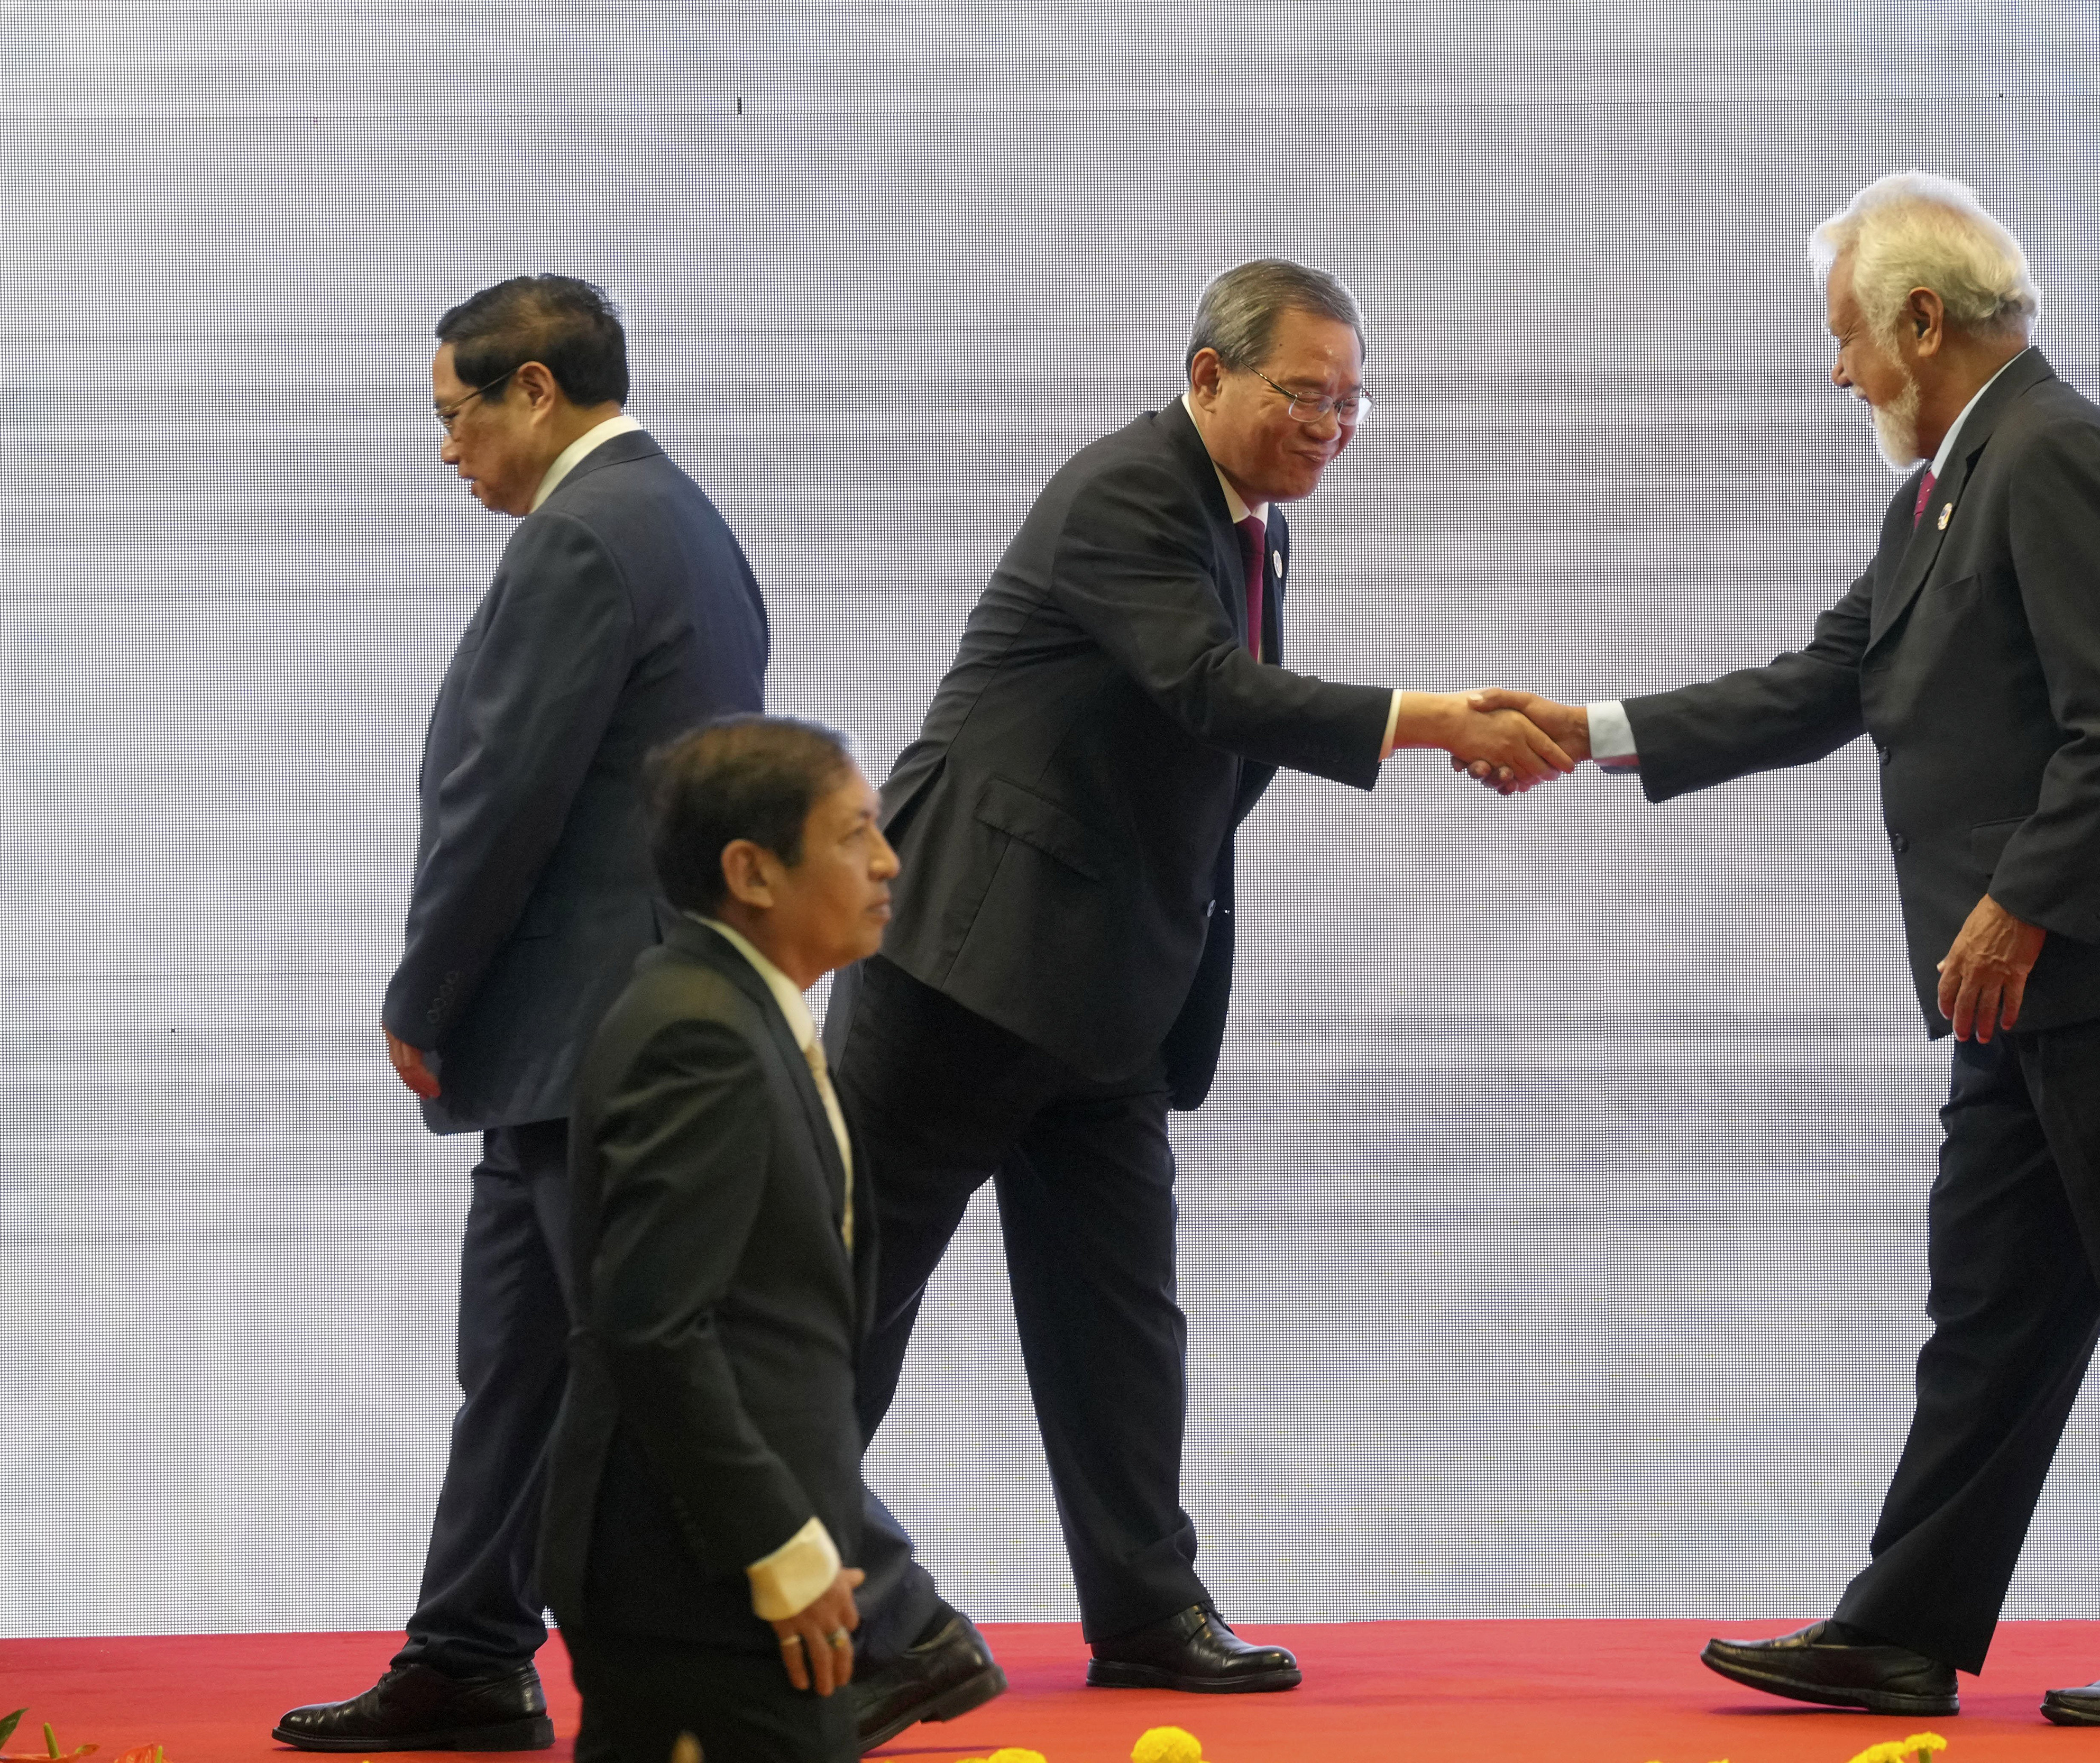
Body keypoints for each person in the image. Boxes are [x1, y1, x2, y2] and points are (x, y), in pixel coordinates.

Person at [1474, 173, 2100, 1727]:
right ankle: (1901, 1627)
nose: (1840, 370)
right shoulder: (1939, 491)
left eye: (1846, 337)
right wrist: (1582, 731)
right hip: (2019, 983)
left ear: (1923, 320)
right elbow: (1818, 680)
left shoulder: (2058, 453)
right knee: (1989, 1305)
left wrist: (2023, 899)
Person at [821, 258, 1573, 1719]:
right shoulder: (1125, 489)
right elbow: (1209, 694)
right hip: (967, 966)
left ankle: (1151, 1609)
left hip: (1107, 990)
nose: (1333, 422)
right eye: (1307, 391)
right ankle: (769, 1583)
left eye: (1353, 400)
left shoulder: (1255, 528)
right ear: (1209, 372)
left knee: (1121, 1313)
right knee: (846, 1304)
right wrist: (1435, 721)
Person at [277, 276, 773, 1749]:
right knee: (521, 1357)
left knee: (638, 1365)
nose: (448, 452)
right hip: (602, 1037)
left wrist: (426, 993)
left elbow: (503, 801)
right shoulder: (686, 518)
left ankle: (848, 1633)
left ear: (536, 391)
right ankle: (471, 1645)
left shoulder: (582, 535)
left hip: (586, 1039)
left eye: (455, 415)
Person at [537, 715, 903, 1760]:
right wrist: (779, 1550)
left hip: (722, 1567)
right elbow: (653, 1327)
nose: (887, 861)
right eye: (853, 834)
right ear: (751, 870)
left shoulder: (740, 1012)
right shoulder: (700, 1033)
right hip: (695, 1578)